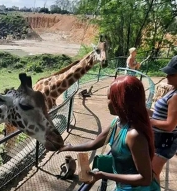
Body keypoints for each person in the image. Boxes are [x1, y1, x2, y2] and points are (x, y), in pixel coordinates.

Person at [59, 75, 160, 191]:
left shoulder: (134, 136)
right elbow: (95, 143)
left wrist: (103, 175)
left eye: (109, 98)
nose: (106, 102)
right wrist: (69, 147)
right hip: (123, 187)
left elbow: (145, 179)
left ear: (121, 101)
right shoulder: (117, 122)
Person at [147, 55, 177, 183]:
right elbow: (161, 114)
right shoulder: (173, 90)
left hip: (165, 142)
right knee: (152, 174)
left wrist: (149, 121)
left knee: (152, 175)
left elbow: (170, 125)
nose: (167, 76)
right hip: (159, 140)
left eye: (171, 74)